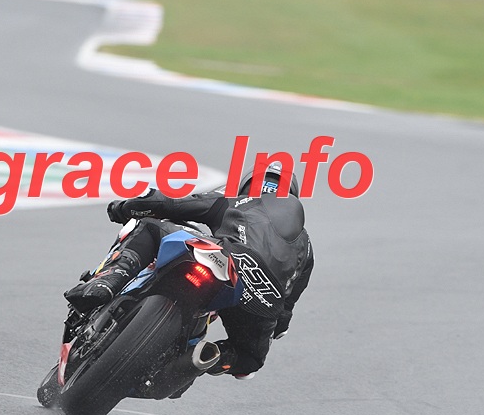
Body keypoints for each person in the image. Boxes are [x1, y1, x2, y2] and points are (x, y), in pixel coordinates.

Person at [65, 161, 314, 378]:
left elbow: (169, 203)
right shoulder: (306, 245)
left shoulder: (234, 201)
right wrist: (273, 327)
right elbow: (286, 309)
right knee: (248, 360)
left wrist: (123, 208)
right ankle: (201, 359)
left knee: (150, 227)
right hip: (262, 300)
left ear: (246, 185)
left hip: (231, 261)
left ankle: (108, 282)